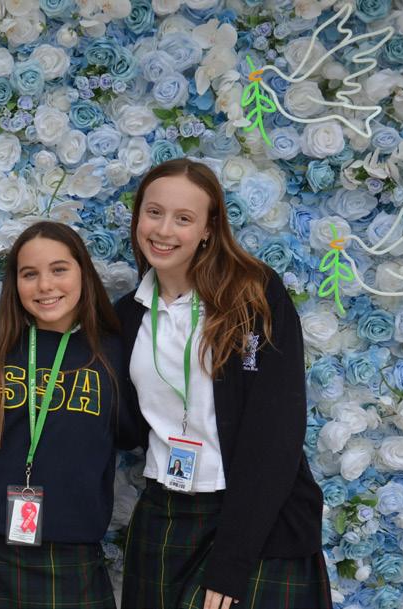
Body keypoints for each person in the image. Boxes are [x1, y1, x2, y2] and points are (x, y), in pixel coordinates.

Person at [117, 159, 330, 609]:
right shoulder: (127, 315)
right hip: (164, 516)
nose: (164, 230)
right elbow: (123, 426)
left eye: (183, 218)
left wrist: (232, 562)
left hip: (255, 521)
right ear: (138, 217)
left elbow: (275, 434)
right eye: (154, 212)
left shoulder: (254, 296)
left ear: (208, 229)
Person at [0, 221, 141, 609]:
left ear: (83, 273)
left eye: (59, 269)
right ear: (15, 283)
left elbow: (130, 435)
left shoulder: (113, 354)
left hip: (73, 549)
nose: (45, 285)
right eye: (29, 274)